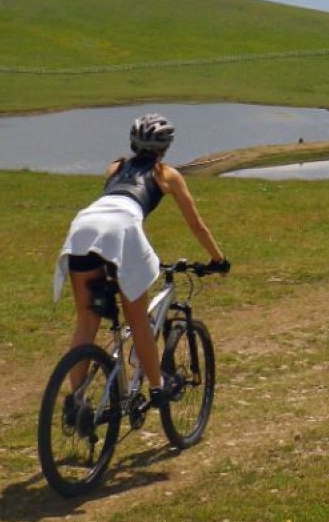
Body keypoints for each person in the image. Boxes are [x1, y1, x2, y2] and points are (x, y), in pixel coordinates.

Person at [53, 113, 229, 410]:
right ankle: (158, 387)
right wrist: (218, 259)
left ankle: (77, 403)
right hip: (122, 230)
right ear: (166, 146)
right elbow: (197, 225)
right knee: (138, 321)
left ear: (133, 142)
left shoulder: (115, 167)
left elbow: (113, 199)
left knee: (87, 320)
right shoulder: (167, 174)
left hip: (83, 228)